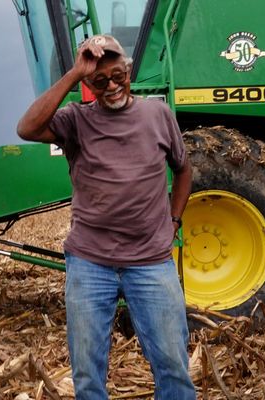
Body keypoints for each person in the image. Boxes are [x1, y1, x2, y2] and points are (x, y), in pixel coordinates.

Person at [15, 34, 196, 399]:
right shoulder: (75, 121)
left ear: (129, 72)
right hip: (90, 262)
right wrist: (74, 72)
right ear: (87, 84)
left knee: (174, 366)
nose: (113, 86)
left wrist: (174, 220)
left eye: (119, 76)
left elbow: (183, 170)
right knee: (87, 374)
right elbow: (27, 128)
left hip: (150, 261)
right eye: (100, 81)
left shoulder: (158, 115)